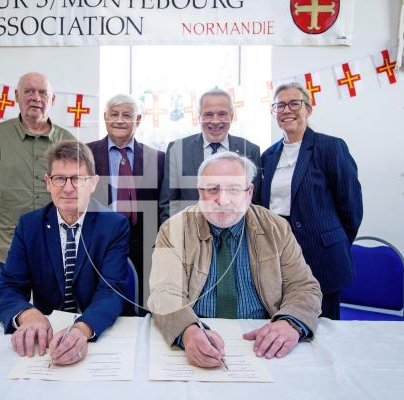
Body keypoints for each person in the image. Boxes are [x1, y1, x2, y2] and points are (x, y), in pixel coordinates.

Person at [148, 151, 322, 368]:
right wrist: (187, 331)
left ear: (249, 192)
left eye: (233, 189)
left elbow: (304, 287)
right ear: (200, 192)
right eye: (212, 189)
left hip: (261, 340)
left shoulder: (276, 228)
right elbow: (164, 292)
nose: (222, 200)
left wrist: (289, 323)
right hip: (199, 331)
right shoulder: (173, 229)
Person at [0, 140, 130, 366]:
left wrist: (83, 329)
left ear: (93, 183)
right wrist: (29, 315)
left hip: (95, 333)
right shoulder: (29, 226)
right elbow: (7, 289)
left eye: (77, 179)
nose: (67, 188)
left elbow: (111, 292)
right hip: (46, 338)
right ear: (48, 182)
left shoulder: (113, 226)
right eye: (59, 178)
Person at [259, 81, 363, 320]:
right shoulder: (268, 155)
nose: (287, 110)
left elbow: (351, 207)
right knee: (283, 325)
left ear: (308, 109)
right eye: (280, 106)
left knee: (325, 330)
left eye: (294, 103)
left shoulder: (330, 147)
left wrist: (332, 241)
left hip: (322, 254)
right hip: (279, 252)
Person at [0, 72, 75, 285]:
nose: (36, 97)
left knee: (57, 317)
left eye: (43, 92)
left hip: (56, 251)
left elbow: (78, 194)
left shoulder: (68, 142)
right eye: (29, 91)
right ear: (16, 95)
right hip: (7, 249)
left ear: (53, 99)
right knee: (9, 312)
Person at [87, 94, 164, 308]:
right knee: (101, 302)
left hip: (143, 246)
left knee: (140, 305)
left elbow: (161, 205)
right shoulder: (85, 153)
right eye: (114, 114)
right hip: (99, 244)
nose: (120, 120)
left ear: (137, 121)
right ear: (105, 118)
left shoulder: (157, 158)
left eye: (127, 115)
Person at [159, 87, 261, 224]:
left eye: (222, 114)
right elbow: (168, 204)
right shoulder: (177, 149)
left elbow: (253, 203)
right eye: (208, 114)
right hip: (189, 235)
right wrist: (177, 238)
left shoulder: (249, 150)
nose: (215, 121)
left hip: (236, 237)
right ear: (199, 116)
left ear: (232, 116)